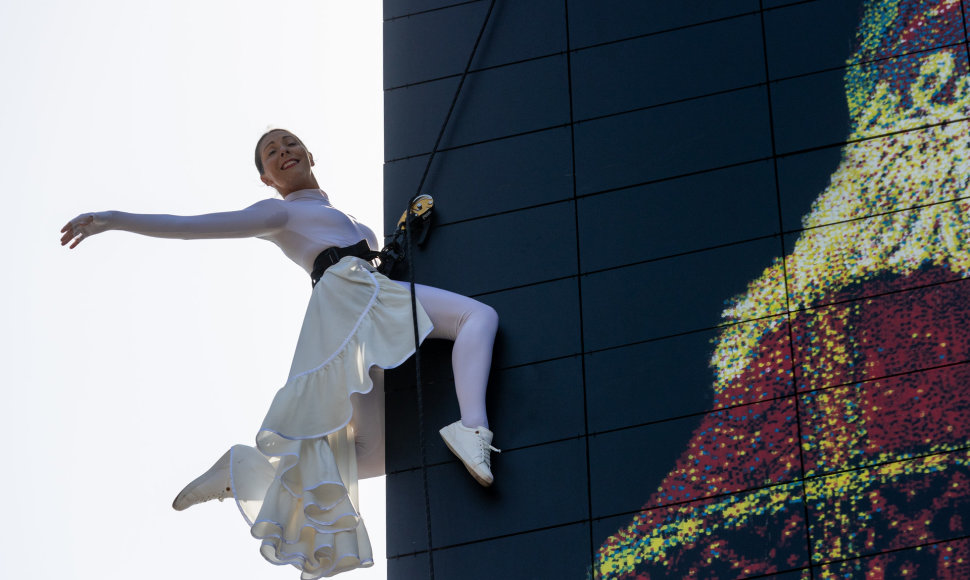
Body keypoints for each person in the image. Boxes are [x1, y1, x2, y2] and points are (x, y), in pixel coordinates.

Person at [60, 128, 500, 579]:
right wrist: (110, 218)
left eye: (289, 143)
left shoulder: (356, 225)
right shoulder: (279, 213)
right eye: (271, 152)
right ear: (267, 179)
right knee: (476, 319)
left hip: (364, 307)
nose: (283, 151)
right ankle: (472, 428)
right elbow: (191, 227)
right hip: (350, 301)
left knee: (371, 454)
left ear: (310, 153)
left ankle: (244, 472)